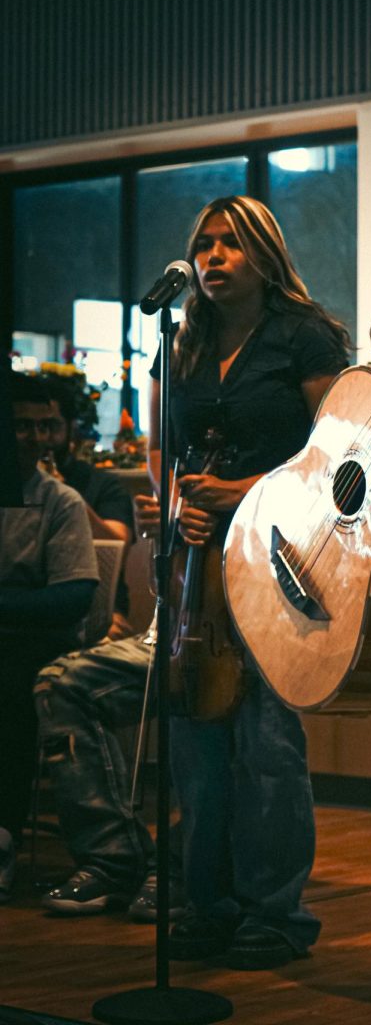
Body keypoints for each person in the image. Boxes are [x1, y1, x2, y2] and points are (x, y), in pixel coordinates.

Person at [146, 194, 349, 969]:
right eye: (203, 245)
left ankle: (275, 913)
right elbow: (165, 452)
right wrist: (181, 507)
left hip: (281, 558)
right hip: (197, 566)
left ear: (265, 256)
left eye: (231, 244)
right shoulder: (184, 342)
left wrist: (241, 494)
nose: (213, 258)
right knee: (197, 735)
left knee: (266, 740)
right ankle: (209, 901)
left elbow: (337, 456)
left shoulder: (304, 337)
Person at [34, 492, 185, 921]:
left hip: (237, 637)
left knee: (205, 684)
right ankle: (113, 858)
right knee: (59, 683)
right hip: (170, 629)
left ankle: (185, 864)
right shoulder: (182, 461)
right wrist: (165, 520)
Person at [0, 374, 98, 904]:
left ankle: (3, 838)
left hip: (39, 645)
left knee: (10, 685)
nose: (36, 439)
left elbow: (74, 597)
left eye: (45, 426)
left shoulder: (60, 501)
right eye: (21, 426)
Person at [39, 373, 135, 638]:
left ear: (71, 428)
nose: (42, 438)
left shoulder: (101, 484)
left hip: (100, 611)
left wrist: (63, 494)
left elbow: (119, 544)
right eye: (30, 427)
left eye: (51, 426)